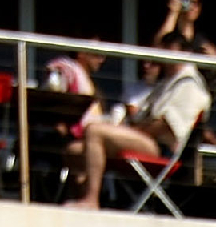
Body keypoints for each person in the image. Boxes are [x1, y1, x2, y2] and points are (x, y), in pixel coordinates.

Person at [71, 56, 206, 209]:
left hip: (159, 148)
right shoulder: (164, 84)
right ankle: (79, 199)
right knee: (74, 150)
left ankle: (91, 200)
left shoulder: (188, 84)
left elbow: (165, 124)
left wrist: (132, 130)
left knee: (94, 131)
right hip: (143, 138)